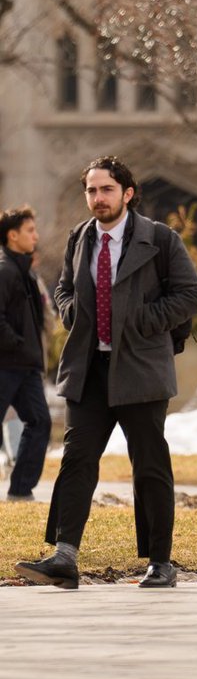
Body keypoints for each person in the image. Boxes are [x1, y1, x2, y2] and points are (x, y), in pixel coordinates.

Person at [15, 156, 197, 590]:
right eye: (92, 191)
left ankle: (160, 562)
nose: (98, 199)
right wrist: (69, 311)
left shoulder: (159, 239)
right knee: (77, 461)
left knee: (150, 467)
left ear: (127, 193)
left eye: (106, 190)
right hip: (88, 371)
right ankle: (64, 557)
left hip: (140, 370)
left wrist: (139, 320)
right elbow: (64, 287)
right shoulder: (79, 238)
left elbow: (191, 296)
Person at [0, 206, 52, 502]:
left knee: (40, 421)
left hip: (27, 366)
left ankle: (21, 490)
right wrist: (17, 344)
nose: (36, 236)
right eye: (30, 230)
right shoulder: (4, 270)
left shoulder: (26, 272)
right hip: (6, 363)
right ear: (12, 235)